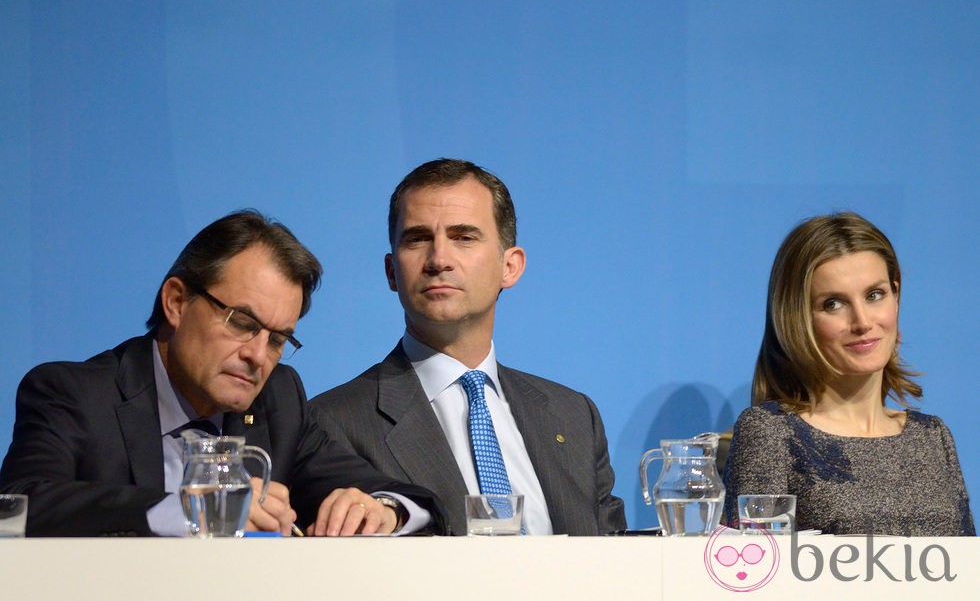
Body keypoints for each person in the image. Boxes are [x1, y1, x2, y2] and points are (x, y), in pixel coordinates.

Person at [0, 210, 442, 537]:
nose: (257, 355)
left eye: (277, 338)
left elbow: (411, 501)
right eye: (242, 323)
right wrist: (189, 510)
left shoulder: (278, 401)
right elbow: (22, 501)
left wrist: (384, 509)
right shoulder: (74, 392)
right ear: (176, 302)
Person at [310, 158, 626, 535]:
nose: (439, 259)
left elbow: (616, 559)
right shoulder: (333, 423)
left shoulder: (573, 417)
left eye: (464, 237)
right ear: (392, 271)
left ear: (510, 266)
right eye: (418, 238)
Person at [723, 211, 974, 536]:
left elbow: (967, 573)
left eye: (874, 295)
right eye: (833, 304)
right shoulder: (773, 434)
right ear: (797, 319)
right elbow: (754, 572)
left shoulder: (932, 437)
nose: (862, 322)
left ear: (896, 297)